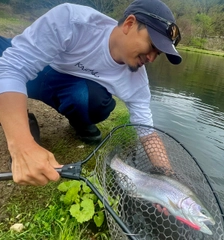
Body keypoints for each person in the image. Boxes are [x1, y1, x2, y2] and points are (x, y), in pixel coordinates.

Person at [0, 0, 182, 186]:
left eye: (157, 54)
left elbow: (146, 131)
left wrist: (167, 176)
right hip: (40, 67)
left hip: (65, 88)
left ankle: (78, 122)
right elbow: (13, 67)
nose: (151, 58)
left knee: (97, 102)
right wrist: (22, 145)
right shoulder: (74, 20)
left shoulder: (138, 82)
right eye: (152, 45)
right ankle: (18, 116)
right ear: (129, 24)